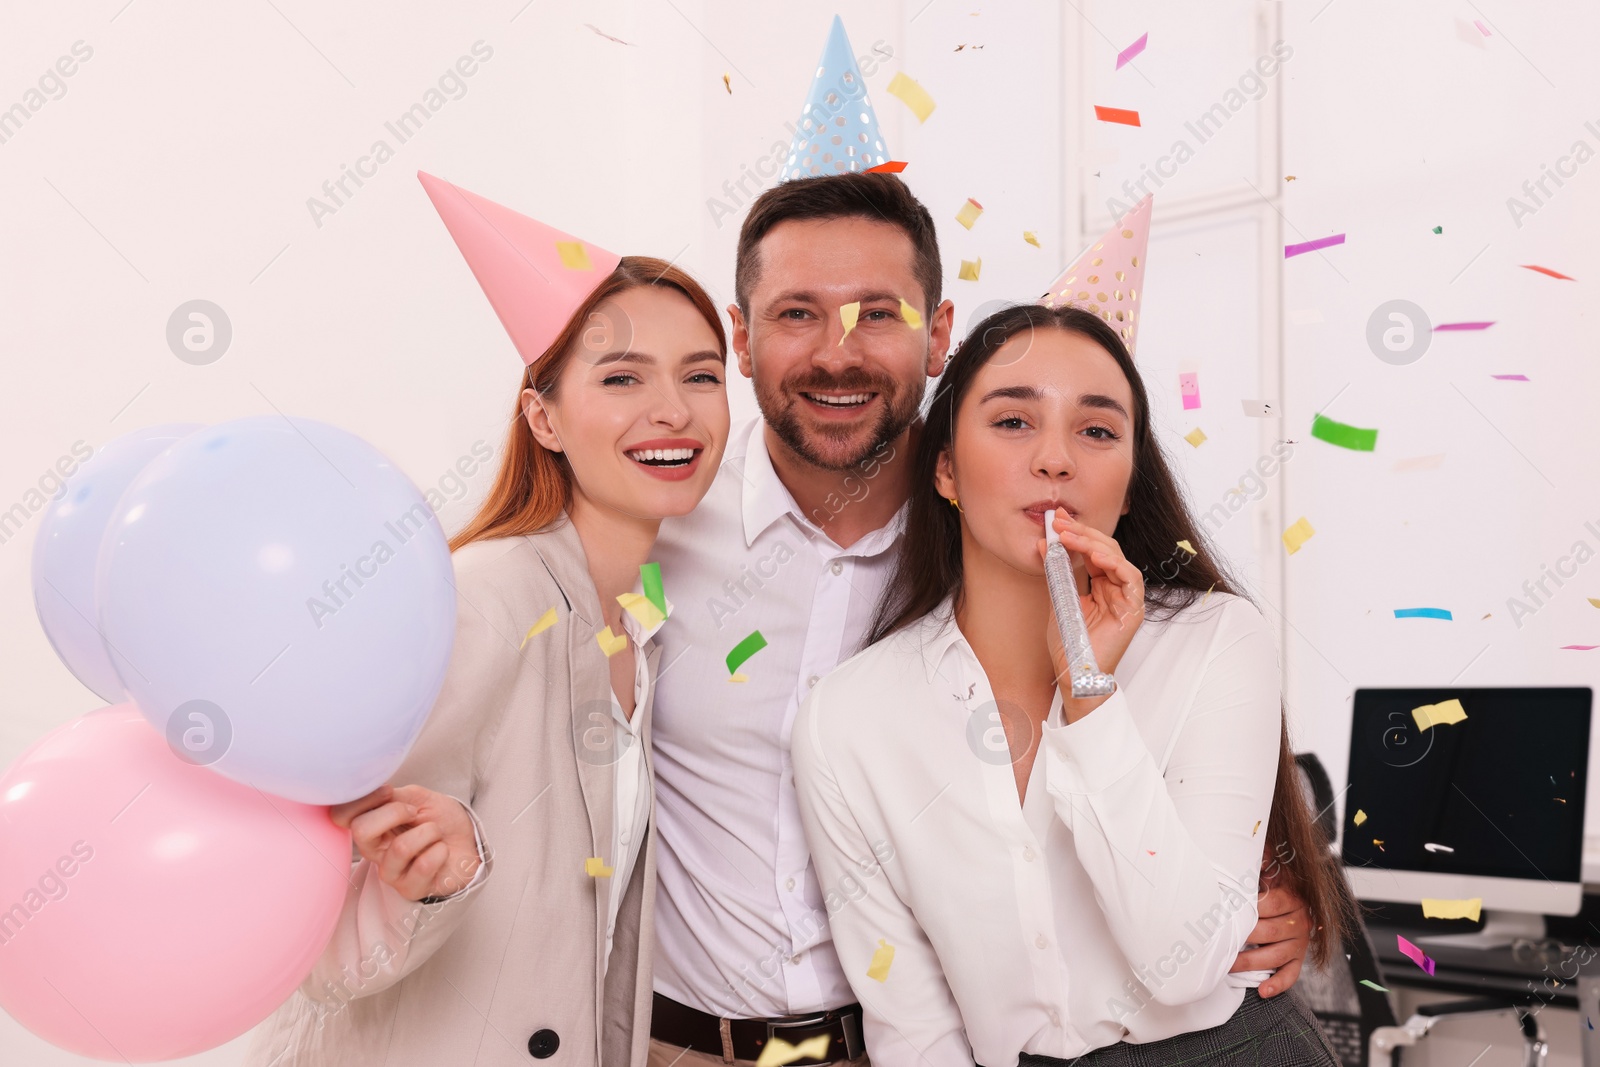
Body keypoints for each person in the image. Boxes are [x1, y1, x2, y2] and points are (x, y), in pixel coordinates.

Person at [645, 170, 1320, 1067]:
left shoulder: (1202, 636)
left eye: (876, 312)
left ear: (936, 336)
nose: (837, 351)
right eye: (798, 312)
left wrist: (1267, 893)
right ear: (742, 336)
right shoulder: (653, 541)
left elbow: (1189, 931)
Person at [791, 300, 1360, 1067]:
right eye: (1013, 422)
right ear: (946, 467)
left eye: (1096, 430)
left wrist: (1088, 690)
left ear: (1129, 486)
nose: (1056, 459)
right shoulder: (849, 717)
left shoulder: (1218, 639)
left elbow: (1186, 962)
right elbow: (912, 1022)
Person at [244, 173, 731, 1067]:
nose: (674, 409)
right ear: (542, 416)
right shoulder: (486, 595)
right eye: (622, 376)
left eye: (702, 375)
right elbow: (320, 936)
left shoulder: (646, 613)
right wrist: (441, 874)